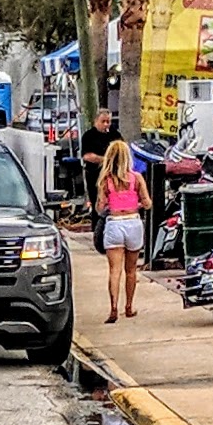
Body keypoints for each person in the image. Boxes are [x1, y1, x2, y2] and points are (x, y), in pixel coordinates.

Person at [96, 139, 152, 322]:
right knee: (131, 270)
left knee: (114, 270)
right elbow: (148, 203)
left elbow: (100, 207)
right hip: (133, 223)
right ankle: (128, 307)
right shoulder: (136, 178)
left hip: (114, 224)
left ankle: (113, 307)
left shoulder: (105, 181)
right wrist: (134, 203)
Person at [78, 106, 114, 214]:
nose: (106, 124)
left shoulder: (114, 134)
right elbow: (87, 156)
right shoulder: (89, 136)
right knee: (97, 202)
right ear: (96, 121)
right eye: (103, 121)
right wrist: (106, 160)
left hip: (112, 174)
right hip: (95, 174)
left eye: (108, 122)